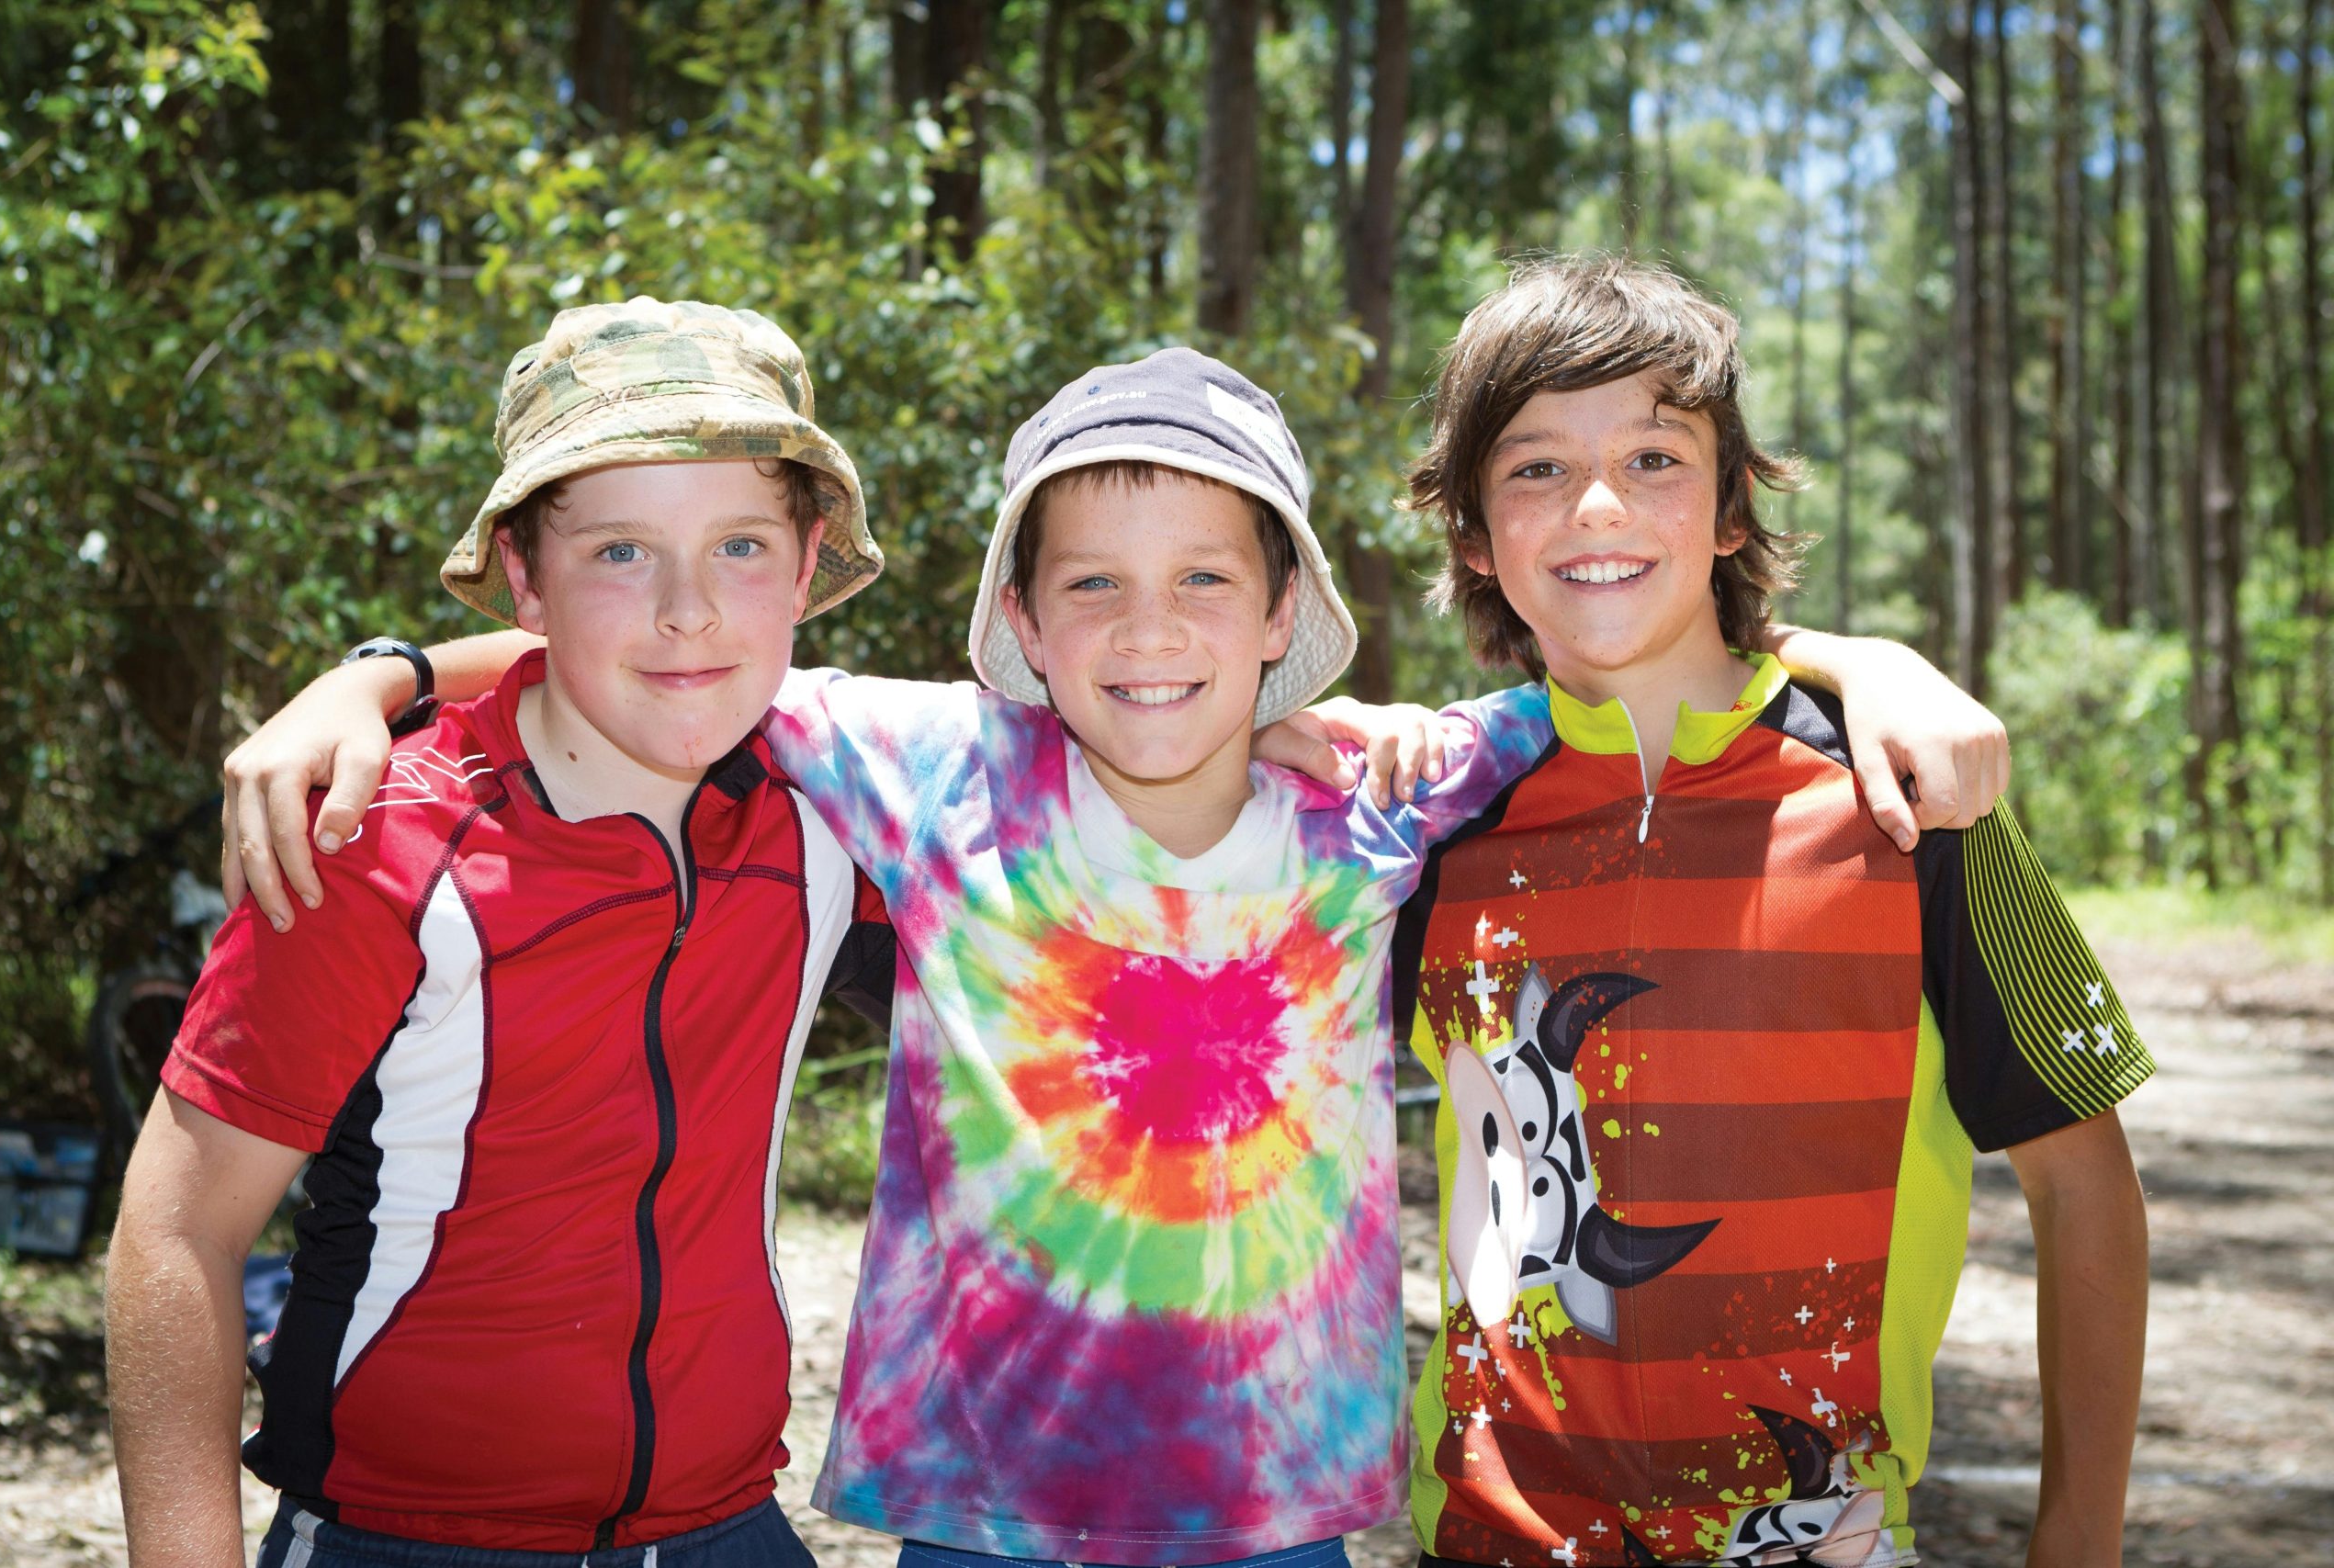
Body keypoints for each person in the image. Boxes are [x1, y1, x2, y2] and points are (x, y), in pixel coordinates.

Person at [220, 339, 2009, 1568]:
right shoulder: (930, 766)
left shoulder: (1388, 789)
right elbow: (667, 653)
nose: (1146, 633)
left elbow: (1641, 652)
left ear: (1286, 616)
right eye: (1090, 582)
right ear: (1016, 613)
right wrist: (371, 672)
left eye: (1202, 583)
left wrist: (1865, 660)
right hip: (973, 1505)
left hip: (1271, 1510)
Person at [105, 299, 898, 1566]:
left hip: (729, 1530)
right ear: (526, 574)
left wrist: (1317, 735)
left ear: (811, 563)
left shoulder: (843, 800)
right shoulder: (376, 839)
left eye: (741, 546)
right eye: (620, 553)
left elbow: (1129, 715)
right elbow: (178, 1231)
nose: (689, 611)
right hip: (407, 1539)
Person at [1389, 256, 2151, 1567]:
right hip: (1489, 1541)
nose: (1597, 505)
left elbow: (2083, 1186)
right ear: (1471, 531)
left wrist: (2076, 1544)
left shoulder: (1910, 800)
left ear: (1734, 506)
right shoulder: (1422, 828)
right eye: (1532, 469)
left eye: (1655, 457)